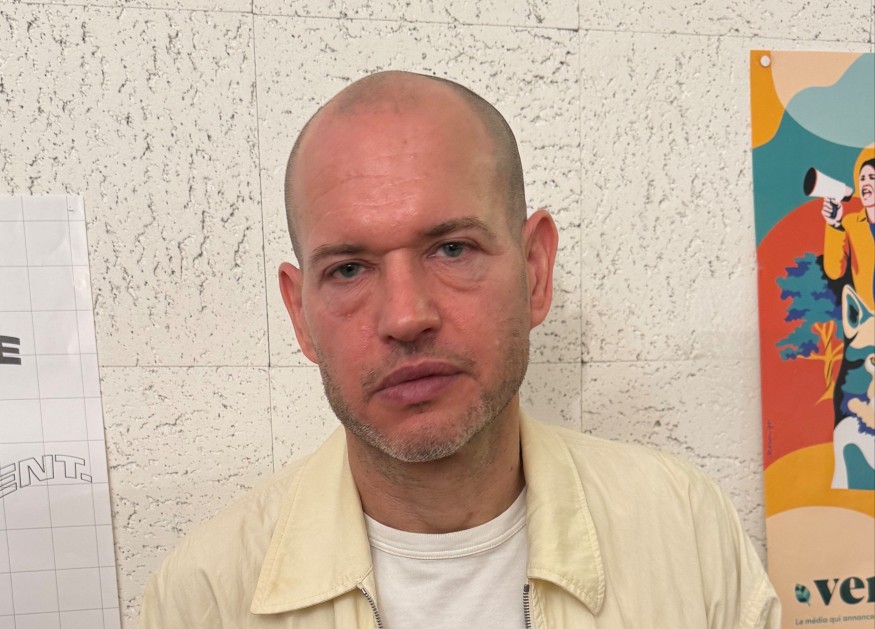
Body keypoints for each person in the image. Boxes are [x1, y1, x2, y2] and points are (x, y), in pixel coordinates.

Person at [140, 71, 780, 628]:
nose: (405, 316)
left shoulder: (685, 532)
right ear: (300, 314)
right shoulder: (206, 596)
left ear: (535, 271)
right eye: (348, 269)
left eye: (452, 250)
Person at [822, 155, 875, 310]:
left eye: (872, 177)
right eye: (862, 179)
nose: (865, 183)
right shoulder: (851, 223)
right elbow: (834, 272)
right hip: (868, 316)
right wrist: (834, 224)